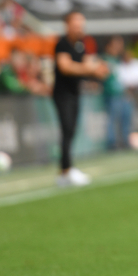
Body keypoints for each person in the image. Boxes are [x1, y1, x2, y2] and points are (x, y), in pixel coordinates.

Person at [52, 11, 108, 187]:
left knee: (72, 130)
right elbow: (66, 67)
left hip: (75, 93)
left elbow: (87, 64)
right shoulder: (62, 44)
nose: (79, 27)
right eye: (76, 23)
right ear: (67, 25)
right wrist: (90, 70)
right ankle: (66, 170)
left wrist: (97, 70)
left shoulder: (81, 45)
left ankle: (66, 170)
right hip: (62, 94)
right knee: (67, 129)